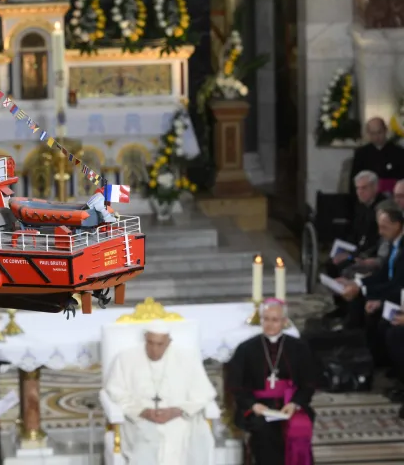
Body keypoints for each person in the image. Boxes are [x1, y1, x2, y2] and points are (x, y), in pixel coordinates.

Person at [104, 321, 217, 464]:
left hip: (180, 420)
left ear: (169, 342)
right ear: (145, 338)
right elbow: (116, 391)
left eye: (160, 344)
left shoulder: (187, 358)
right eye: (150, 343)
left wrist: (176, 411)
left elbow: (203, 393)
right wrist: (143, 412)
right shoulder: (125, 358)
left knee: (194, 440)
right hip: (140, 421)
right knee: (146, 443)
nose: (154, 349)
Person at [226, 299, 317, 465]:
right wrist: (253, 405)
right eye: (266, 319)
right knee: (264, 430)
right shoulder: (246, 348)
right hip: (258, 405)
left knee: (298, 425)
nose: (269, 324)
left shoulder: (299, 347)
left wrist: (295, 403)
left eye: (275, 320)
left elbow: (309, 382)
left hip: (289, 403)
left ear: (284, 321)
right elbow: (236, 384)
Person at [324, 170, 386, 321]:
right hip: (358, 249)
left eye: (364, 188)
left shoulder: (381, 208)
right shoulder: (360, 207)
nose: (360, 192)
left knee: (346, 267)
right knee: (331, 263)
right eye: (358, 188)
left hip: (371, 255)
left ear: (375, 188)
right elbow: (354, 233)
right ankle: (341, 306)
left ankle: (351, 313)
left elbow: (377, 241)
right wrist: (344, 250)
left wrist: (353, 256)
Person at [341, 207, 404, 327]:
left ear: (397, 225)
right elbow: (383, 273)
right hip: (389, 288)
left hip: (398, 294)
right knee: (355, 294)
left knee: (362, 296)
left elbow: (396, 283)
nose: (380, 232)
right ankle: (351, 330)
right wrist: (358, 283)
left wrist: (362, 289)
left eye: (384, 227)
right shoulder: (394, 244)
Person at [349, 118, 404, 195]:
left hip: (392, 196)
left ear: (385, 130)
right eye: (373, 133)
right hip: (366, 196)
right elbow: (353, 180)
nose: (376, 137)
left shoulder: (399, 152)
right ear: (368, 133)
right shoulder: (361, 154)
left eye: (379, 132)